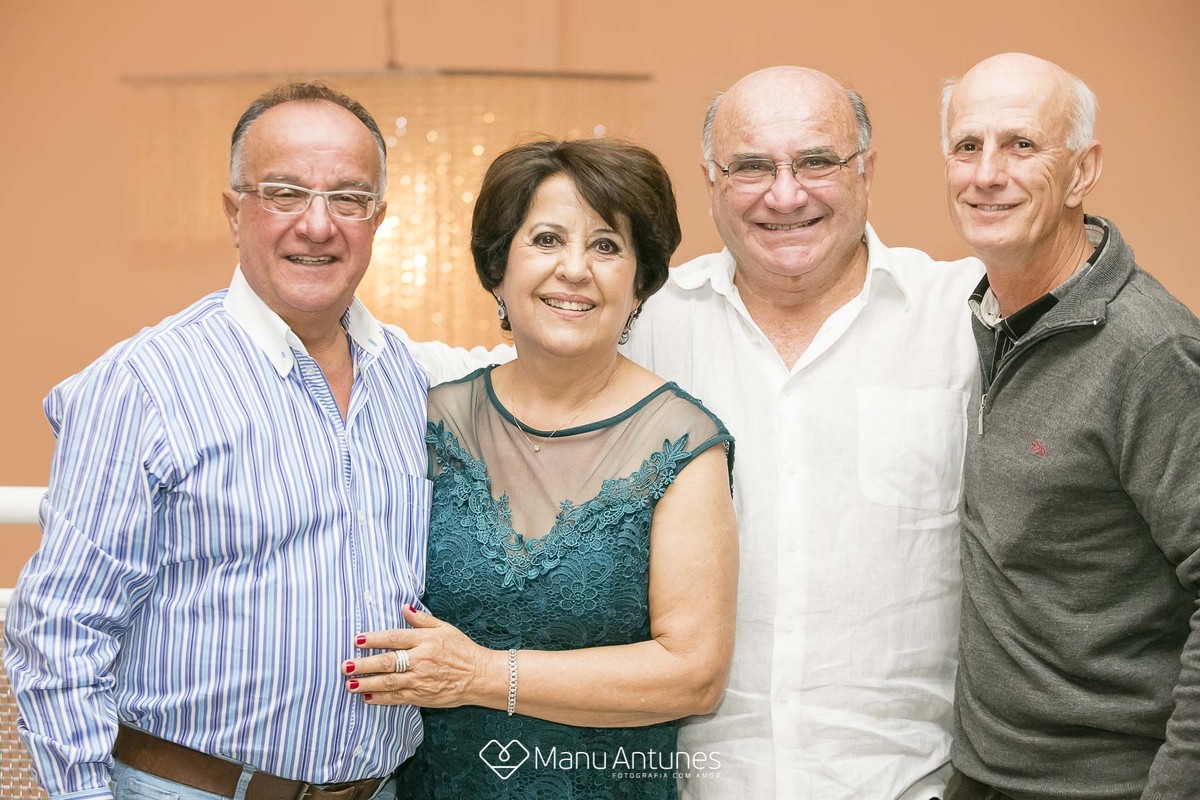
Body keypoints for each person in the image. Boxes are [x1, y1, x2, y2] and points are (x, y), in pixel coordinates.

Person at [3, 81, 426, 800]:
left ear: (378, 219)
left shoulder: (406, 379)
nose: (318, 225)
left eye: (349, 198)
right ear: (234, 212)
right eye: (284, 193)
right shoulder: (144, 383)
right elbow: (60, 630)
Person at [621, 67, 985, 799]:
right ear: (711, 181)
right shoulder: (645, 327)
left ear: (867, 171)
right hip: (696, 784)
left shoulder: (964, 317)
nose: (785, 196)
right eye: (752, 167)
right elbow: (507, 385)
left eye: (817, 161)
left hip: (909, 783)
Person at [340, 138, 739, 798]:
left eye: (606, 245)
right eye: (547, 239)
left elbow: (694, 676)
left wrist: (481, 675)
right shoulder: (431, 421)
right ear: (498, 268)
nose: (574, 269)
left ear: (640, 282)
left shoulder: (682, 443)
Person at [940, 53, 1200, 800]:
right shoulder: (985, 319)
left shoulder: (1150, 350)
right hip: (983, 774)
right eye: (967, 146)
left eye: (1021, 145)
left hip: (1108, 783)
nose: (986, 174)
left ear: (1083, 171)